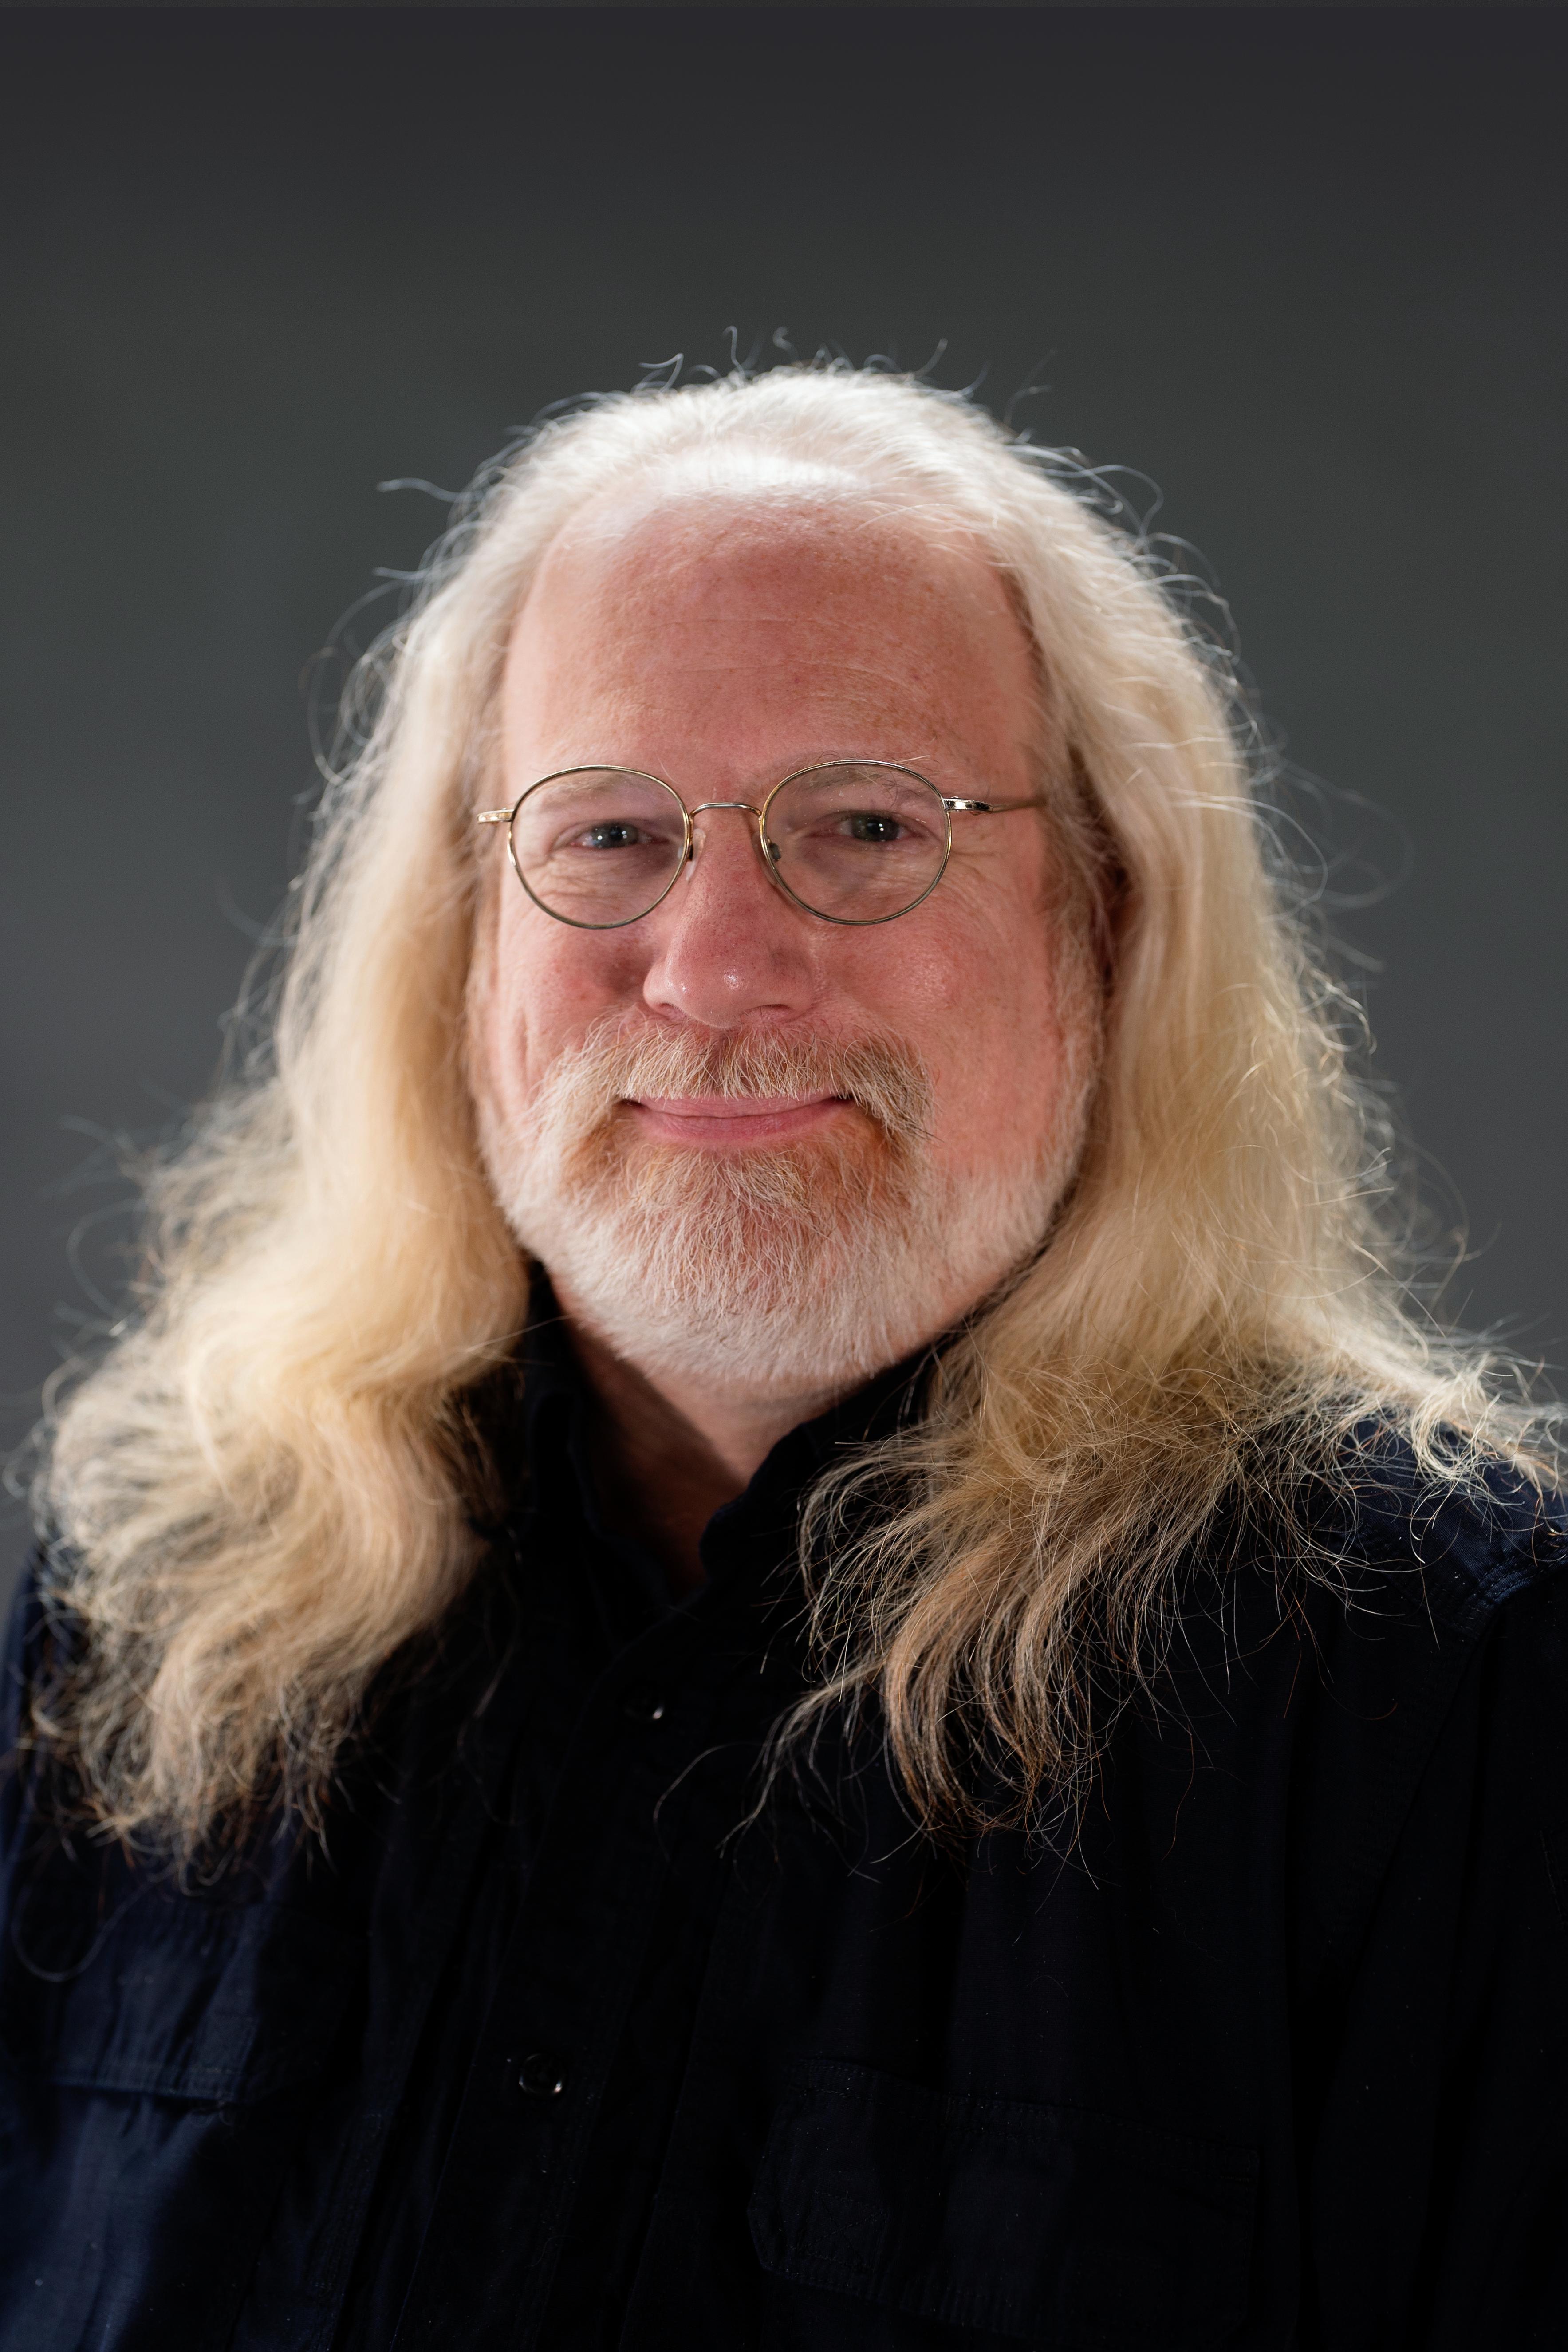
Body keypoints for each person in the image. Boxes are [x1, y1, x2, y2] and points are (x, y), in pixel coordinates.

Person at [2, 363, 1564, 2352]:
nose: (719, 963)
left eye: (861, 825)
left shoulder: (1454, 1690)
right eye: (612, 831)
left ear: (1104, 913)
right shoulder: (170, 1604)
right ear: (461, 931)